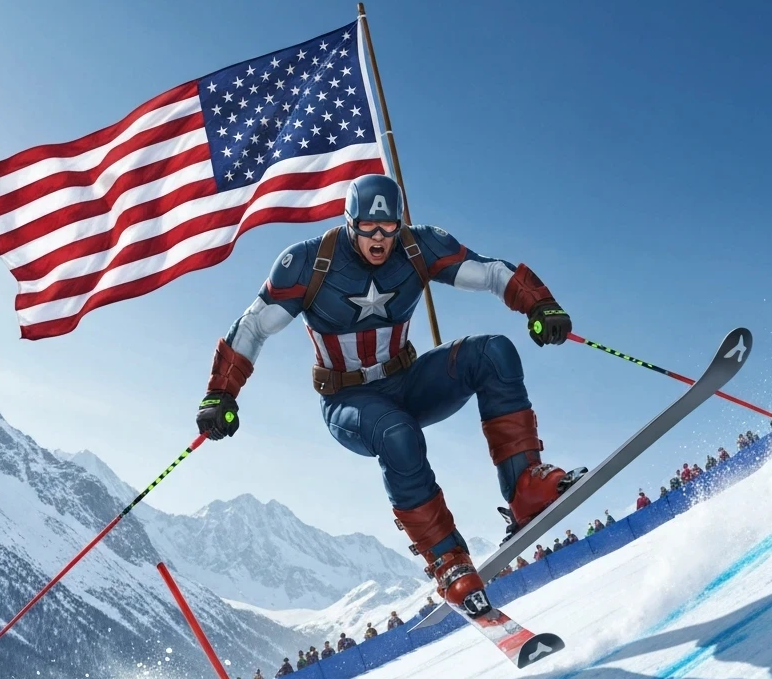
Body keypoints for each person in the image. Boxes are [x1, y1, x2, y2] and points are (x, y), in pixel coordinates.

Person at [196, 174, 578, 621]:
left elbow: (490, 272)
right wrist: (220, 395)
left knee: (494, 353)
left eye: (388, 229)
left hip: (408, 380)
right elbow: (256, 324)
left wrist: (539, 303)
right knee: (398, 435)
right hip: (349, 401)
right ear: (349, 222)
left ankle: (525, 487)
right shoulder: (308, 262)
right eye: (369, 230)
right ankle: (447, 558)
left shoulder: (417, 247)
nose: (379, 240)